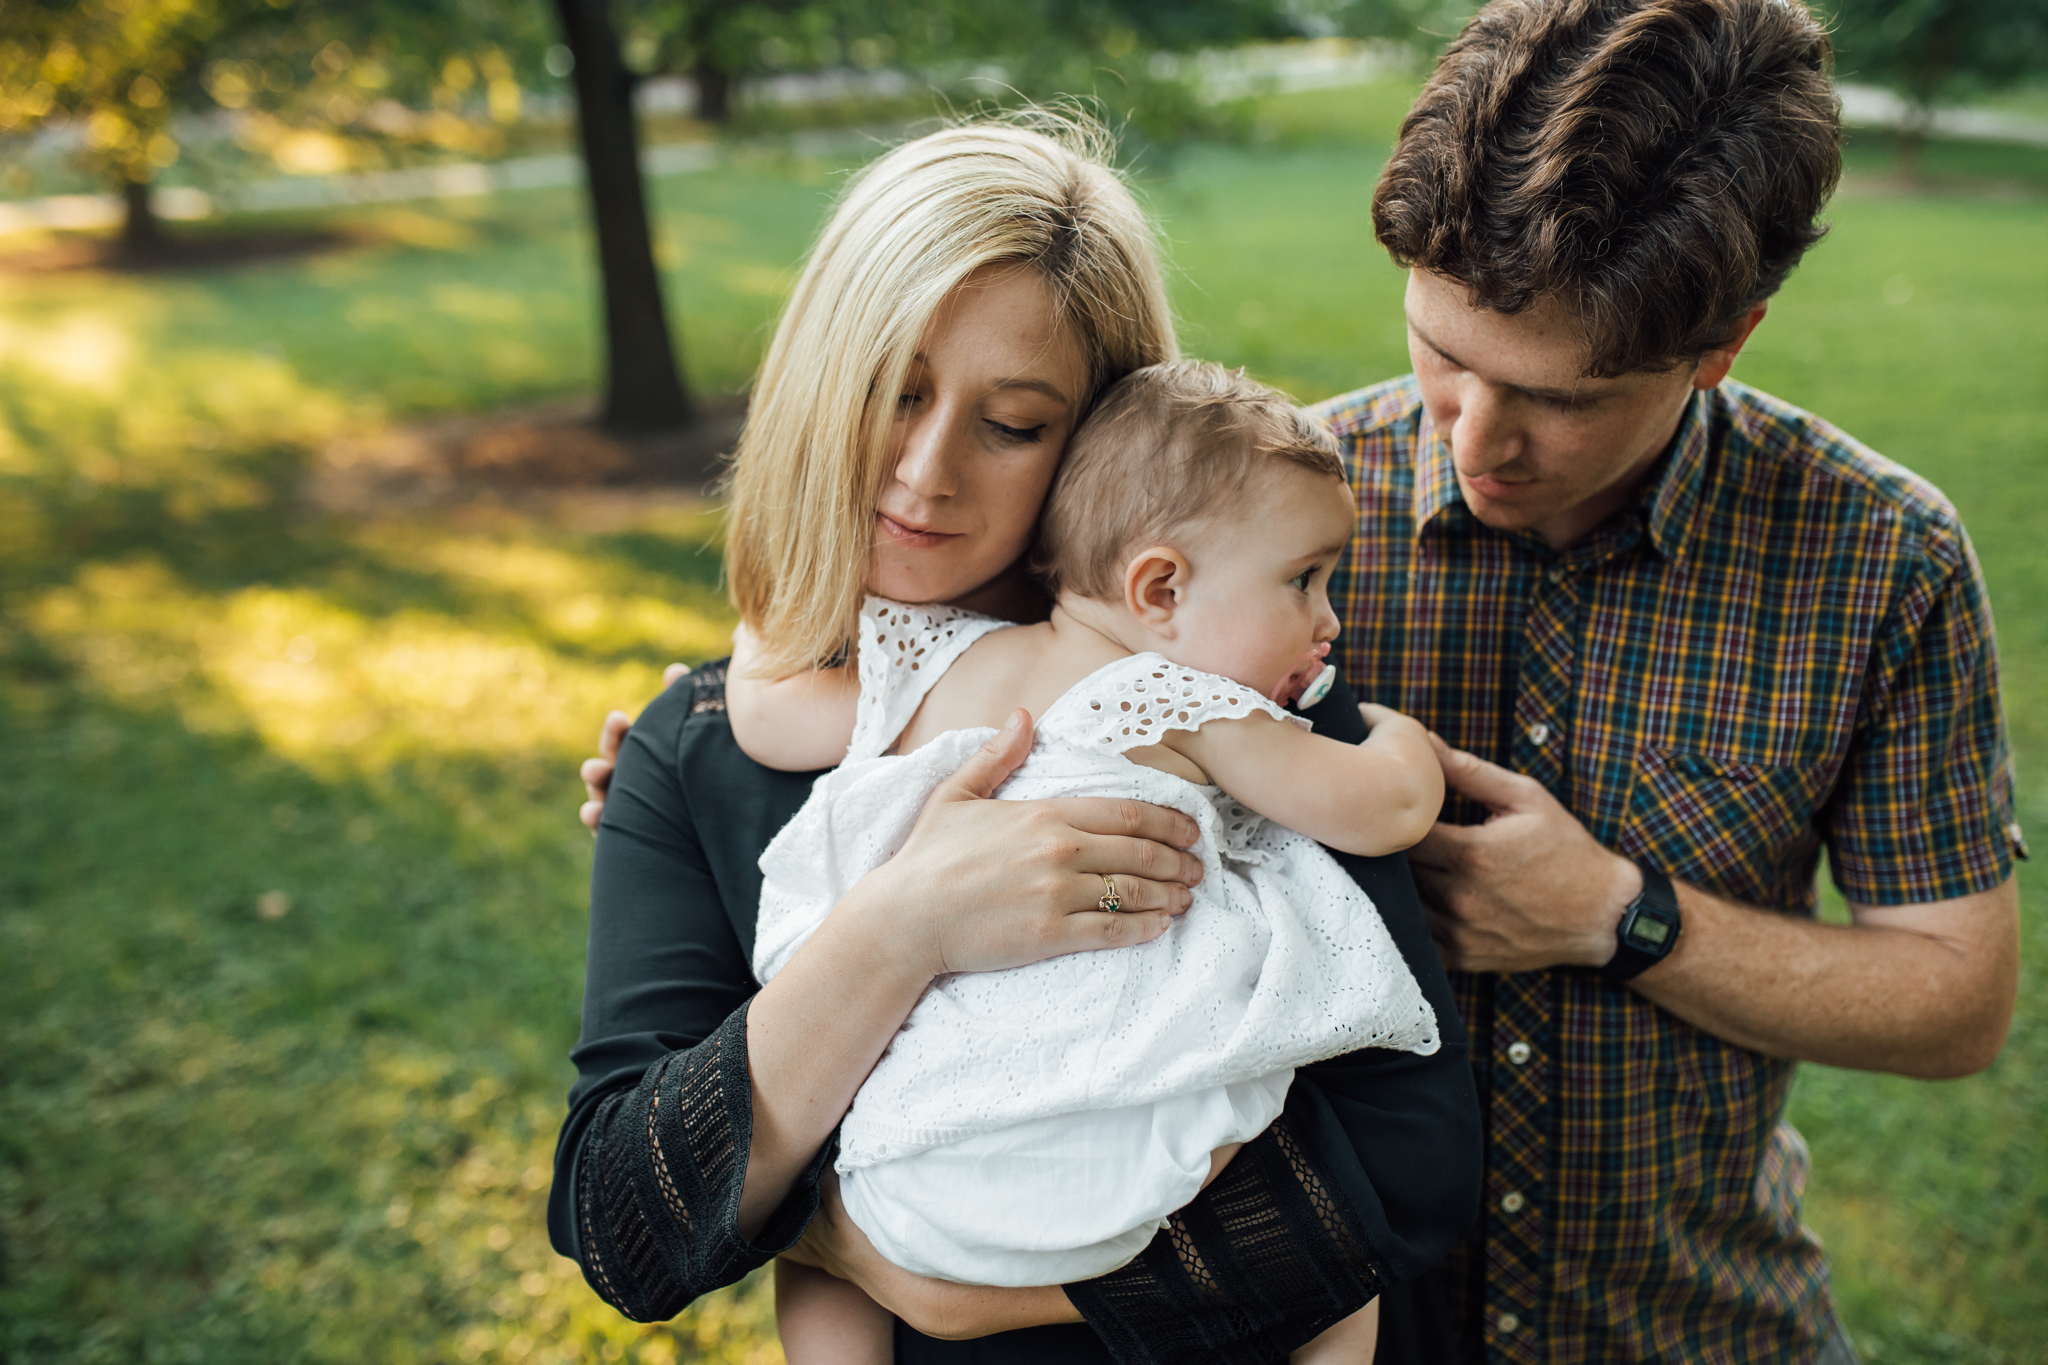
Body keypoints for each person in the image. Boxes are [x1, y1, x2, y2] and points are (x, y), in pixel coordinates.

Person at [553, 117, 1483, 1364]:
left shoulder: (1207, 694)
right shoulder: (700, 749)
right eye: (895, 389)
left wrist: (958, 1284)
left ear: (1095, 439)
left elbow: (1413, 1170)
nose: (925, 474)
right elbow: (619, 1223)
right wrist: (896, 929)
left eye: (1012, 423)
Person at [1305, 0, 2025, 1359]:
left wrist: (1615, 915)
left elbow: (1955, 999)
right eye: (1444, 357)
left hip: (1692, 1326)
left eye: (1564, 399)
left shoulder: (1883, 558)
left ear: (1724, 345)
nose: (1477, 441)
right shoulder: (1269, 516)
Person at [732, 361, 1447, 1362]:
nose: (1326, 622)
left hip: (912, 1151)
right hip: (1111, 1152)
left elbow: (762, 712)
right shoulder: (1176, 697)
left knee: (819, 1254)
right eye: (1303, 581)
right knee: (1336, 1275)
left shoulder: (947, 660)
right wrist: (1400, 738)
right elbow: (1386, 811)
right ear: (1159, 589)